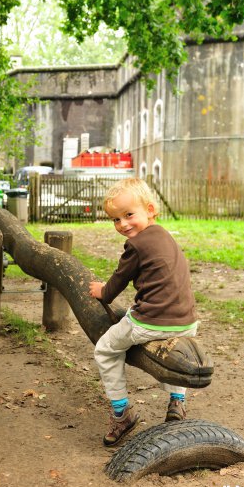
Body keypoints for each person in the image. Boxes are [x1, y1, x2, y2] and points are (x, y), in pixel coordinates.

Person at [89, 178, 198, 446]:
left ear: (150, 210)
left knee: (105, 349)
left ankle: (122, 413)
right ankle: (177, 402)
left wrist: (101, 292)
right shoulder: (164, 235)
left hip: (153, 322)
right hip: (187, 321)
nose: (123, 224)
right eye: (115, 219)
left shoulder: (135, 246)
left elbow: (116, 283)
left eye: (128, 215)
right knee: (177, 352)